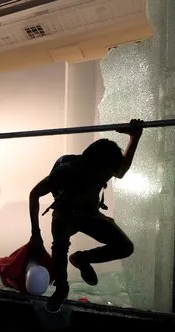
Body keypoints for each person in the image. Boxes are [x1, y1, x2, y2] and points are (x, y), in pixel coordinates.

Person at [28, 119, 143, 313]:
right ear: (92, 167)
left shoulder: (104, 168)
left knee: (125, 247)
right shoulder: (67, 171)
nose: (108, 177)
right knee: (60, 240)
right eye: (105, 174)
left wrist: (135, 136)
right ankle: (61, 288)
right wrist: (36, 233)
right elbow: (34, 194)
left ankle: (81, 259)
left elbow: (121, 171)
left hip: (90, 214)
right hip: (66, 212)